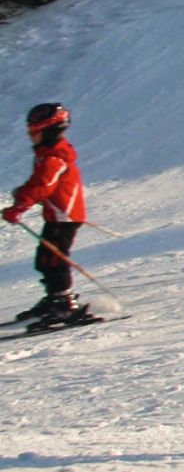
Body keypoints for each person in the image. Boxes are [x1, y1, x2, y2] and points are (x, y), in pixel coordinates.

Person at [5, 103, 87, 328]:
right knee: (45, 259)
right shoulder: (47, 156)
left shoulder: (54, 159)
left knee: (54, 260)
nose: (31, 137)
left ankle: (64, 304)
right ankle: (55, 298)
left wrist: (19, 206)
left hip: (65, 217)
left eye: (34, 132)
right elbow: (37, 184)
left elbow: (43, 186)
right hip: (57, 216)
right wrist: (21, 194)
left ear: (48, 131)